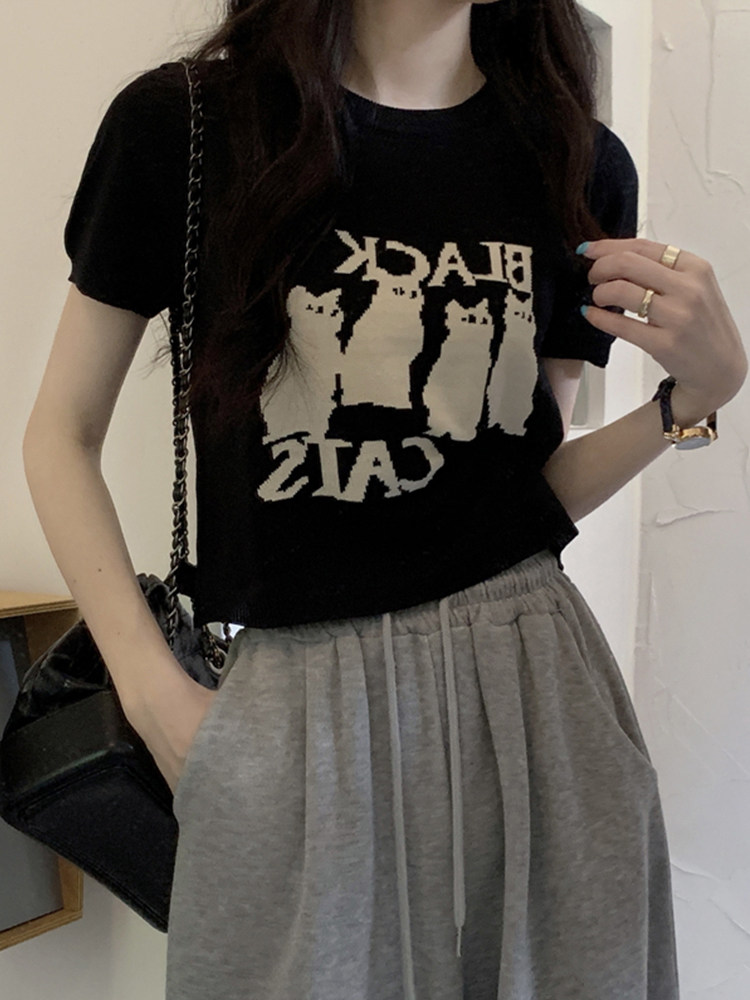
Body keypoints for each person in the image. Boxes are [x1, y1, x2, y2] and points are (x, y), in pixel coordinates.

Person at [23, 1, 746, 998]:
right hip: (296, 711)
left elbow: (515, 499)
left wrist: (693, 402)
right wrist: (154, 698)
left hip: (536, 692)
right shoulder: (187, 127)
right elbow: (60, 435)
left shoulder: (576, 162)